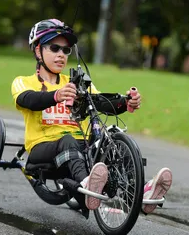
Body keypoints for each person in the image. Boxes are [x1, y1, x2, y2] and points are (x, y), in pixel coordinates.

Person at [11, 18, 172, 215]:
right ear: (38, 50)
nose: (61, 55)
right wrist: (56, 95)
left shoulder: (75, 82)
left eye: (66, 50)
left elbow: (100, 102)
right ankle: (88, 185)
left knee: (110, 139)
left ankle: (140, 191)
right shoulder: (23, 82)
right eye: (54, 48)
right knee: (67, 140)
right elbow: (27, 99)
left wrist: (125, 102)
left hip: (79, 147)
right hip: (42, 148)